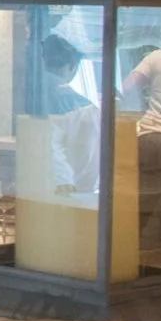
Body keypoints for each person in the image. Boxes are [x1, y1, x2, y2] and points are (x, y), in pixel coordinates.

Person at [122, 46, 161, 266]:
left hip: (146, 136)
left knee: (144, 198)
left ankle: (136, 256)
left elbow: (128, 87)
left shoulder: (158, 57)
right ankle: (160, 261)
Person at [39, 34, 100, 198]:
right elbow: (90, 160)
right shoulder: (85, 109)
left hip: (38, 187)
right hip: (70, 192)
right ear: (73, 67)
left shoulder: (30, 94)